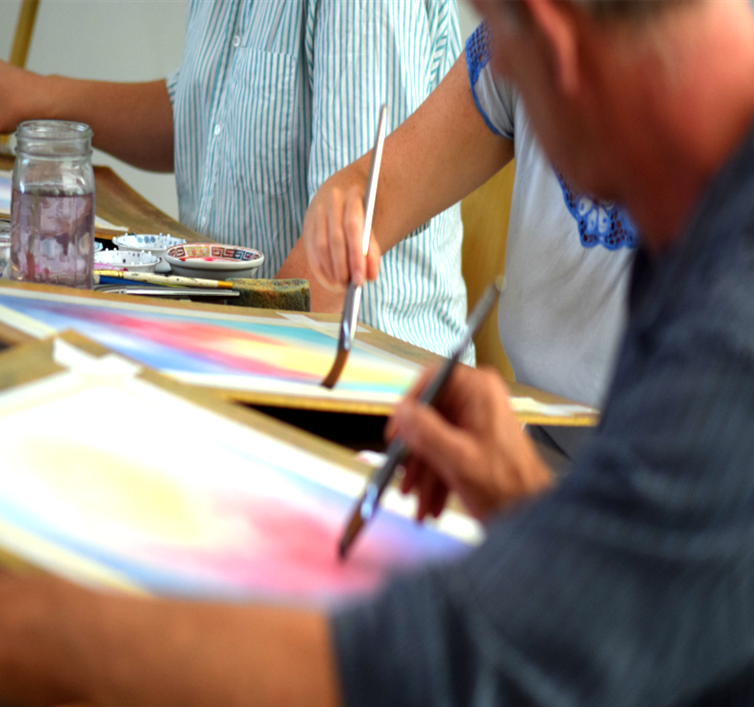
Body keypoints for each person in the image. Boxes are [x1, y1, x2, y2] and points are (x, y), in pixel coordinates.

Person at [3, 0, 754, 704]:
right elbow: (652, 602)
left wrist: (31, 625)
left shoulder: (728, 341)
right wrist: (532, 502)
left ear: (555, 44)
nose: (493, 74)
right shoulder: (694, 199)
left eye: (501, 49)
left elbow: (427, 663)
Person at [0, 0, 474, 364]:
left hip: (358, 375)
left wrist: (181, 361)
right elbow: (207, 123)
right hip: (233, 326)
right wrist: (36, 96)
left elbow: (333, 265)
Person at [301, 16, 637, 463]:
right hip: (540, 448)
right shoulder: (517, 41)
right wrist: (343, 201)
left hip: (664, 485)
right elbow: (378, 193)